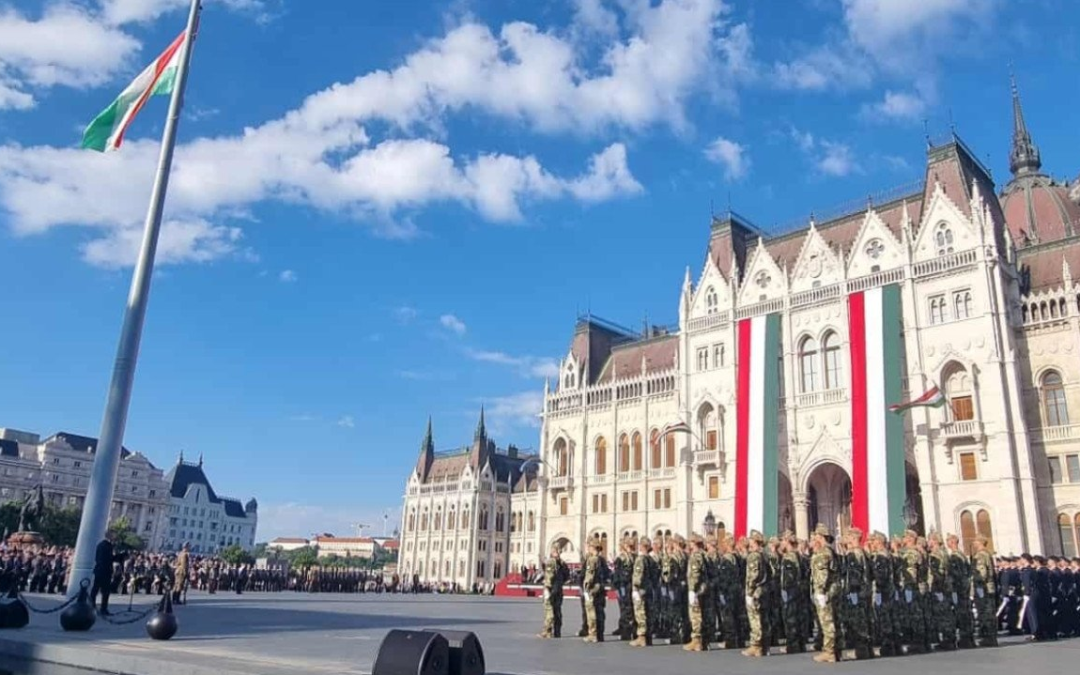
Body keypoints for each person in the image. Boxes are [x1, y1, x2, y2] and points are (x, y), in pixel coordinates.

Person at [810, 523, 839, 663]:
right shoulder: (829, 551)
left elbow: (823, 574)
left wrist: (820, 591)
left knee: (827, 621)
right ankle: (834, 650)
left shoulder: (823, 553)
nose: (814, 538)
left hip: (825, 591)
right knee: (831, 620)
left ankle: (829, 651)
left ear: (820, 536)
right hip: (831, 590)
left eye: (816, 535)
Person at [91, 531, 126, 615]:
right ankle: (102, 608)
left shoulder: (102, 545)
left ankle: (92, 606)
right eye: (114, 536)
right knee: (104, 591)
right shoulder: (106, 546)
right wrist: (119, 556)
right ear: (110, 536)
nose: (115, 538)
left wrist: (118, 556)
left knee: (96, 589)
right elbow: (108, 559)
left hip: (100, 570)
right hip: (104, 571)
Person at [538, 544, 568, 638]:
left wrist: (547, 588)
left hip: (551, 589)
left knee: (549, 609)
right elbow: (567, 576)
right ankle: (557, 631)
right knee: (557, 610)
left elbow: (549, 577)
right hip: (559, 589)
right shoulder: (563, 563)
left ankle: (547, 631)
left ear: (553, 551)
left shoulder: (551, 562)